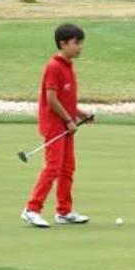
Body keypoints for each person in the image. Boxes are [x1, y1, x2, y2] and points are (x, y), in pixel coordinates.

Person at [21, 24, 93, 228]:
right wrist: (69, 120)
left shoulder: (69, 66)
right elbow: (51, 99)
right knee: (53, 167)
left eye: (81, 43)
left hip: (66, 125)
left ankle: (64, 211)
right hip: (55, 125)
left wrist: (79, 113)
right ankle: (31, 209)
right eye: (76, 43)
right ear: (63, 43)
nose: (80, 47)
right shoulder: (54, 67)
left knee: (67, 168)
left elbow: (65, 99)